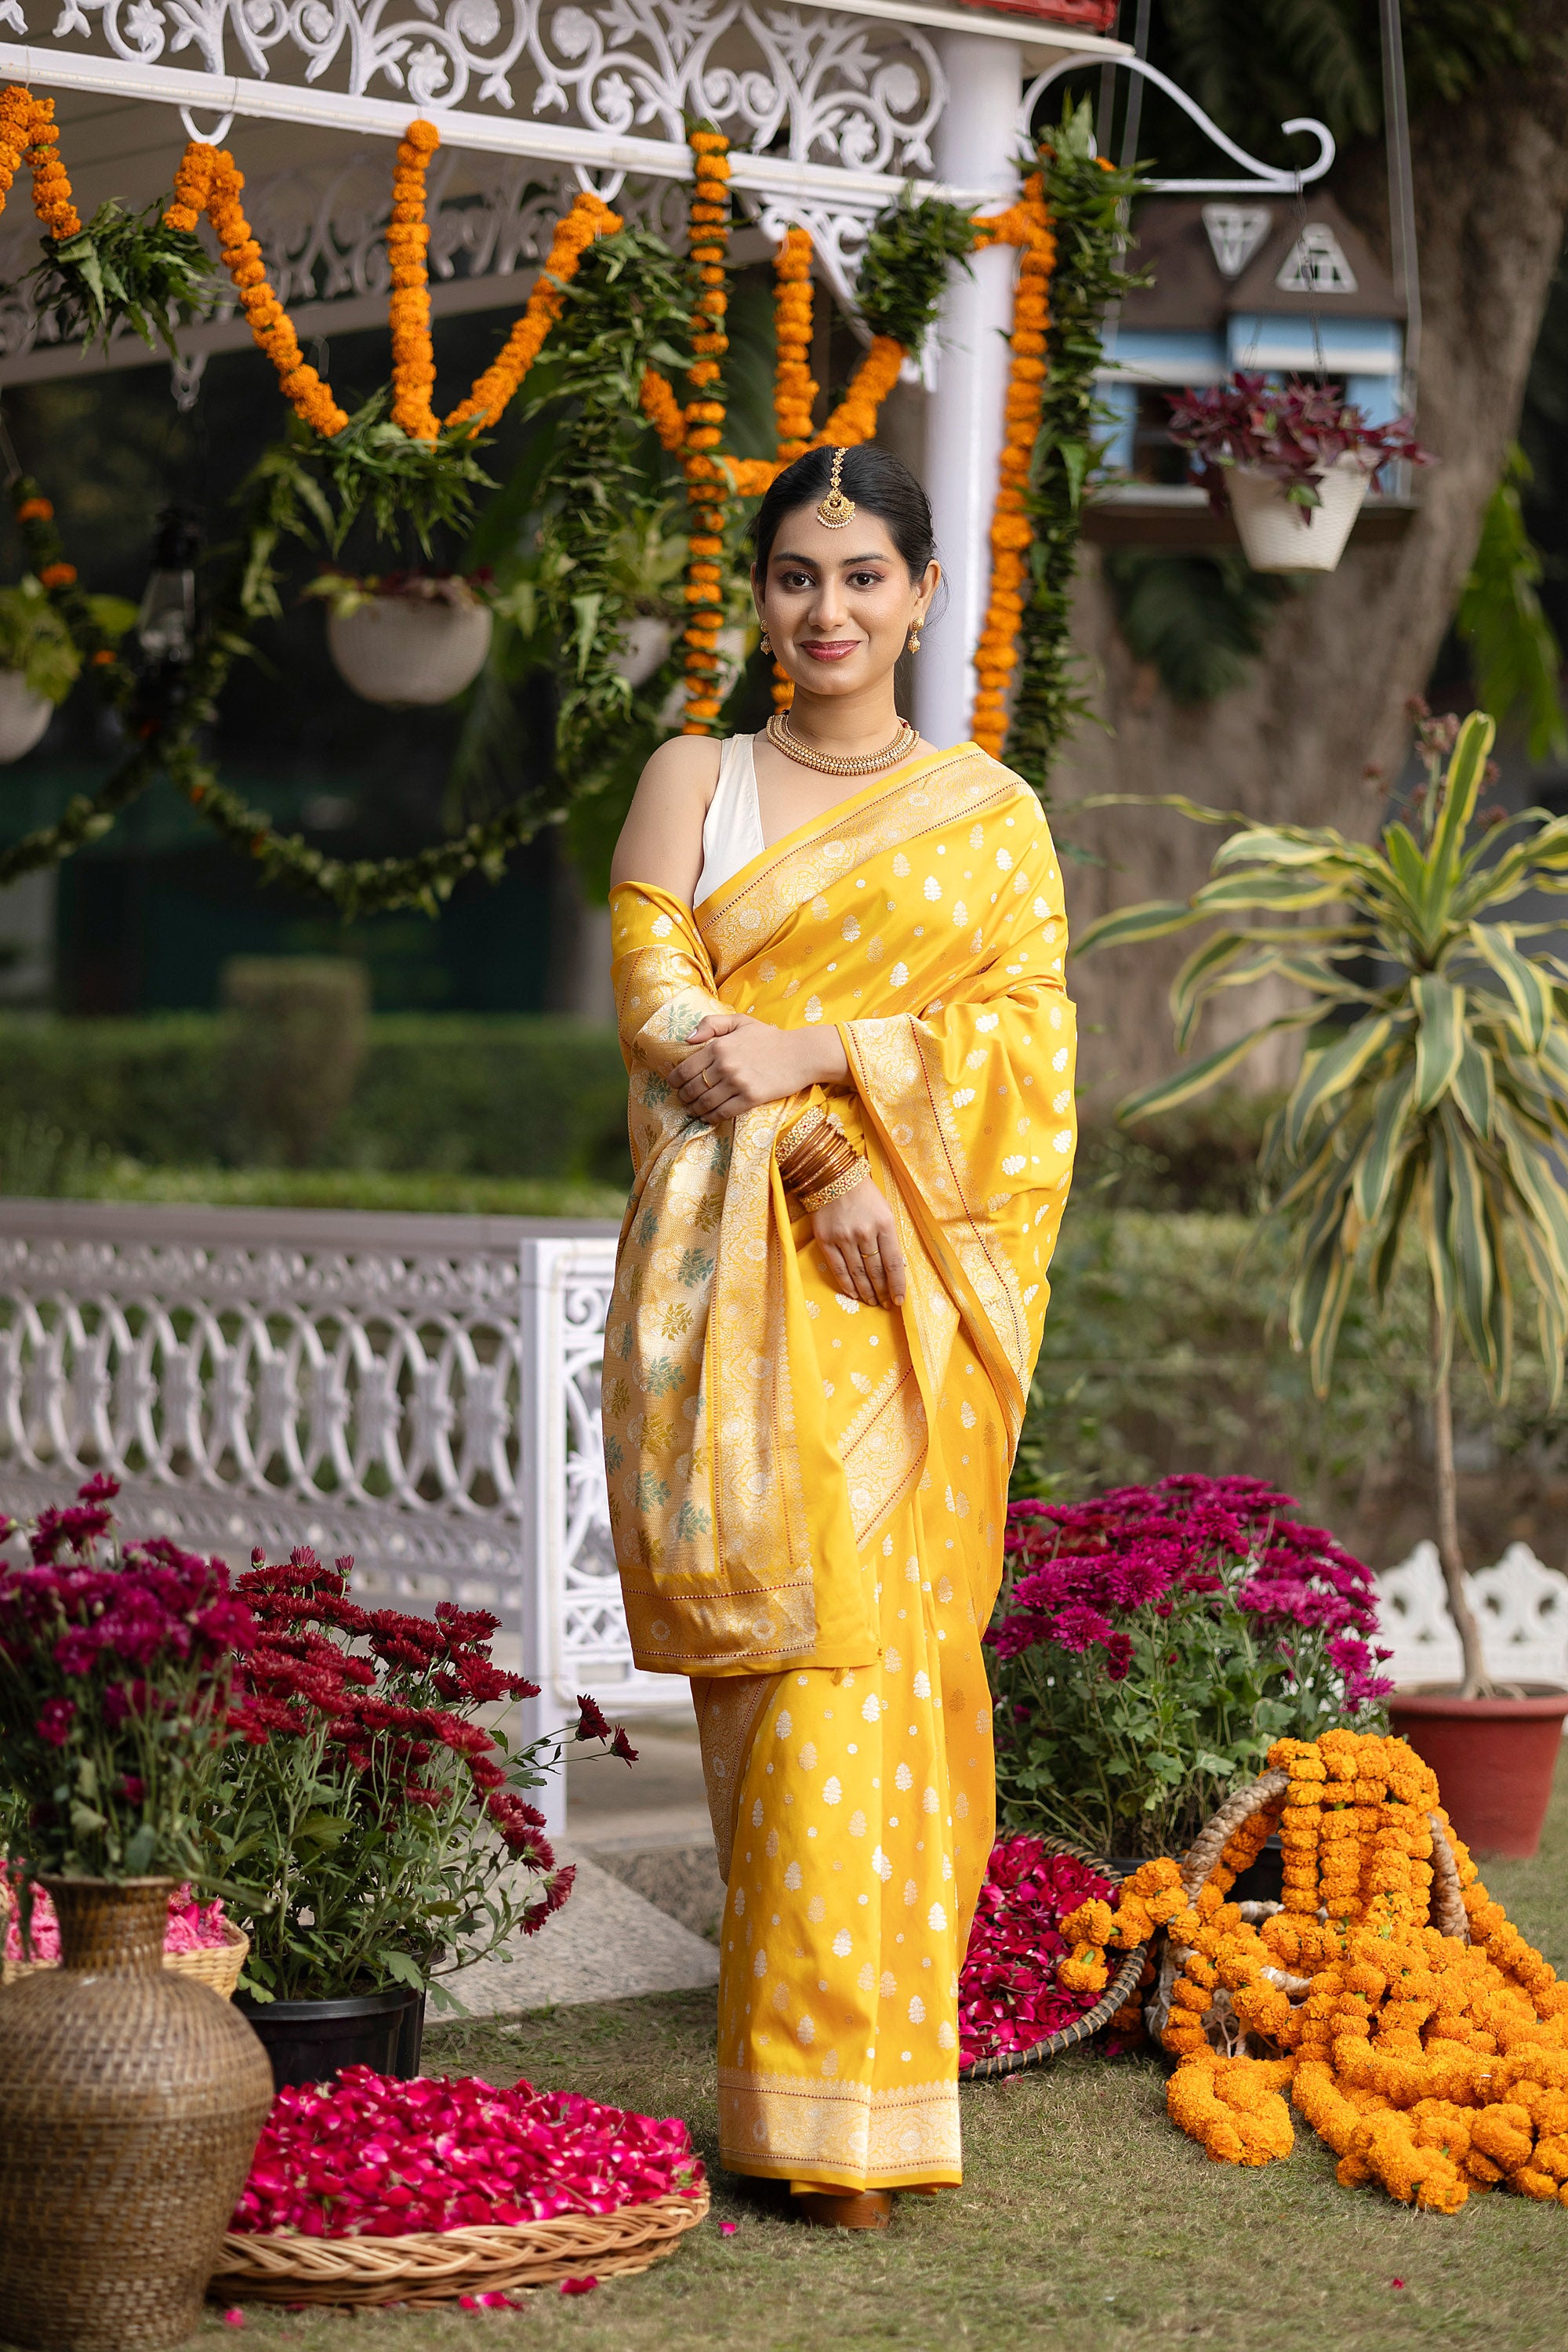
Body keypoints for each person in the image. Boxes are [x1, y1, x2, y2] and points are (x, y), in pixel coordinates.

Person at [605, 444, 1076, 2227]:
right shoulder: (695, 778)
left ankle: (873, 2100)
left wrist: (823, 1055)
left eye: (862, 576)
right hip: (748, 1298)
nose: (827, 611)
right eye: (798, 576)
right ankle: (804, 2110)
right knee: (794, 1684)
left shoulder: (987, 814)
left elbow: (1032, 1054)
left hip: (917, 1316)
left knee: (897, 1674)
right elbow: (665, 1010)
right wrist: (818, 1160)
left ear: (921, 594)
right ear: (763, 593)